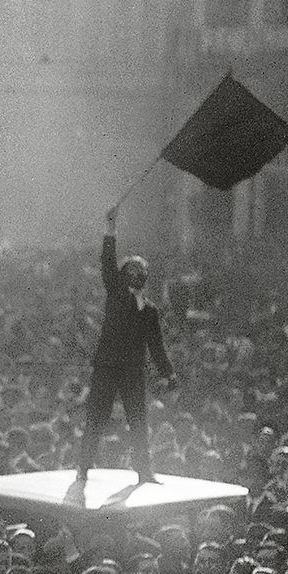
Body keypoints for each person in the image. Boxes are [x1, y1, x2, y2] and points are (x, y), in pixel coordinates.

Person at [77, 205, 174, 484]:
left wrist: (168, 372)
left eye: (138, 272)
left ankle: (144, 471)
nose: (134, 276)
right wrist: (110, 229)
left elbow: (157, 345)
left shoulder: (150, 309)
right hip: (108, 367)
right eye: (130, 271)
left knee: (138, 420)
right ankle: (84, 466)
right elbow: (107, 261)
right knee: (97, 415)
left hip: (132, 370)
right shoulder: (117, 293)